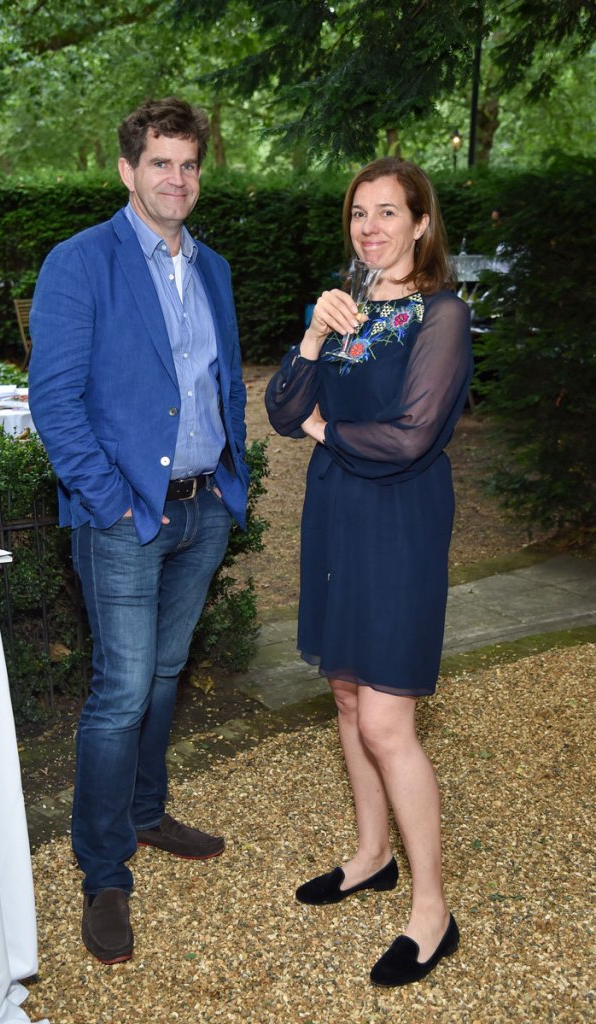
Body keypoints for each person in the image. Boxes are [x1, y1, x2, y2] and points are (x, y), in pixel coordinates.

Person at [28, 97, 249, 965]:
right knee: (120, 692)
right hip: (126, 515)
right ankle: (102, 870)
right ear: (127, 170)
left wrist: (229, 490)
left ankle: (147, 811)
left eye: (189, 164)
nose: (177, 178)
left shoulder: (214, 268)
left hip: (203, 508)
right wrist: (114, 502)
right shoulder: (80, 263)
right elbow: (56, 400)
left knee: (163, 672)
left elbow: (218, 384)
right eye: (160, 162)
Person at [265, 157, 472, 987]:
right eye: (359, 213)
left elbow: (413, 434)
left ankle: (433, 913)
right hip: (336, 518)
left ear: (421, 222)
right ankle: (370, 855)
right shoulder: (345, 308)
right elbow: (281, 407)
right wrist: (313, 336)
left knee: (389, 722)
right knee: (348, 695)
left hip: (399, 521)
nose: (371, 228)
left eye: (388, 212)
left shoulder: (442, 314)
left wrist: (322, 431)